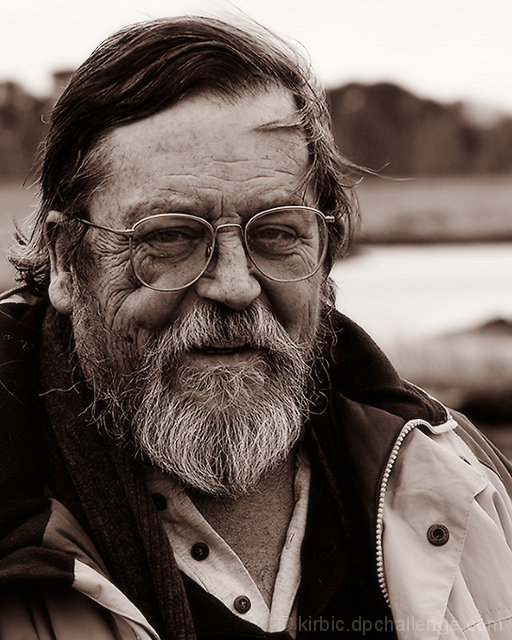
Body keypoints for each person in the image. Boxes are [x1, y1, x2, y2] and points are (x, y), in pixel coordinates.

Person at [0, 15, 511, 640]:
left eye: (276, 233)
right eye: (167, 237)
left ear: (323, 253)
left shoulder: (454, 476)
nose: (236, 286)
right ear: (63, 261)